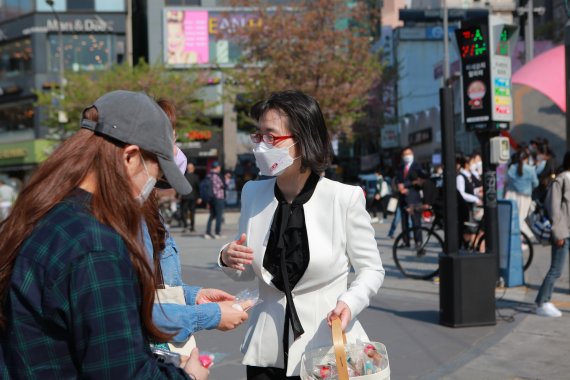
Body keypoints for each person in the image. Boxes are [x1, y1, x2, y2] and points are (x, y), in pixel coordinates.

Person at [0, 90, 207, 379]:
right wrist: (190, 377)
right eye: (155, 172)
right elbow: (120, 371)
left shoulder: (42, 214)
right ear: (130, 157)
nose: (152, 186)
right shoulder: (97, 245)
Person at [218, 91, 384, 379]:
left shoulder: (343, 198)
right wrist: (226, 256)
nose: (261, 145)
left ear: (302, 139)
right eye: (258, 136)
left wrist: (350, 302)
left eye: (271, 136)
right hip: (265, 349)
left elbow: (371, 269)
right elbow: (246, 272)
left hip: (325, 349)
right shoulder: (252, 194)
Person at [535, 152, 570, 317]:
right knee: (556, 270)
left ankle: (544, 301)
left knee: (557, 269)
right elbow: (554, 210)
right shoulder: (561, 180)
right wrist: (558, 233)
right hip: (563, 233)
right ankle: (542, 302)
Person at [505, 148, 539, 239]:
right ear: (526, 158)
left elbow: (507, 180)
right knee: (522, 217)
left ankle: (514, 237)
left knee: (512, 217)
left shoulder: (512, 167)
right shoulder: (531, 169)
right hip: (525, 197)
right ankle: (521, 237)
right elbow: (536, 183)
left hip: (512, 195)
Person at [395, 146, 423, 248]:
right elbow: (397, 179)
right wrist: (399, 186)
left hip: (413, 197)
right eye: (405, 154)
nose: (407, 156)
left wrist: (406, 186)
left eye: (409, 154)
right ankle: (406, 241)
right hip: (403, 197)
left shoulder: (417, 166)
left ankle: (418, 241)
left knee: (416, 221)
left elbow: (420, 180)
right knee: (404, 221)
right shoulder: (400, 167)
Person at [205, 161, 226, 239]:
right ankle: (217, 233)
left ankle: (207, 233)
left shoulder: (209, 175)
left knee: (212, 215)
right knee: (218, 216)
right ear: (217, 167)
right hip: (218, 198)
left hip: (211, 198)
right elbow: (222, 186)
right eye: (219, 167)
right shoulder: (216, 176)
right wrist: (226, 180)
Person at [180, 162, 202, 232]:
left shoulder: (183, 176)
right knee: (192, 212)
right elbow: (198, 188)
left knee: (184, 211)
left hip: (185, 197)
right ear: (193, 169)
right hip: (193, 197)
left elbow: (180, 187)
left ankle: (186, 225)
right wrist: (199, 197)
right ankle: (192, 227)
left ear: (187, 169)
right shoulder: (196, 177)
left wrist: (178, 195)